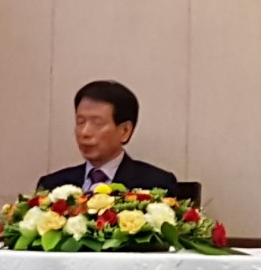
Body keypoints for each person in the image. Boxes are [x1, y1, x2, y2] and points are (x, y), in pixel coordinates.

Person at [37, 80, 177, 195]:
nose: (85, 132)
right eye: (80, 122)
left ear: (125, 131)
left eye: (97, 123)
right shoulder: (52, 186)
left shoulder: (156, 185)